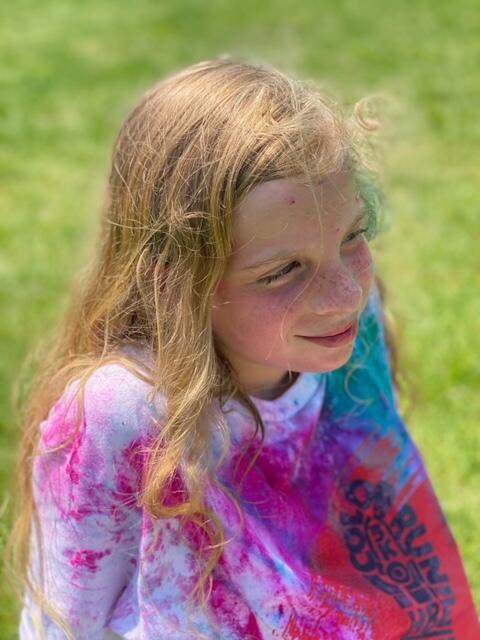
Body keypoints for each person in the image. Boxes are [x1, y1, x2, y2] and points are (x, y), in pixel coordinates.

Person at [7, 56, 478, 639]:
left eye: (353, 236)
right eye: (283, 270)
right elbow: (61, 624)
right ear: (179, 284)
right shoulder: (123, 411)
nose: (346, 293)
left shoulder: (348, 336)